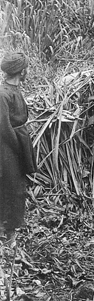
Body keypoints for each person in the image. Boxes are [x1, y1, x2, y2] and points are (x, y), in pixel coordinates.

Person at [0, 52, 35, 240]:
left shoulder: (14, 90)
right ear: (21, 72)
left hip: (16, 144)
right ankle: (6, 231)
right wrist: (17, 148)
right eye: (26, 68)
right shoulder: (3, 94)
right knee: (10, 187)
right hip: (7, 147)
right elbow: (4, 127)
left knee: (16, 186)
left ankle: (10, 229)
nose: (27, 71)